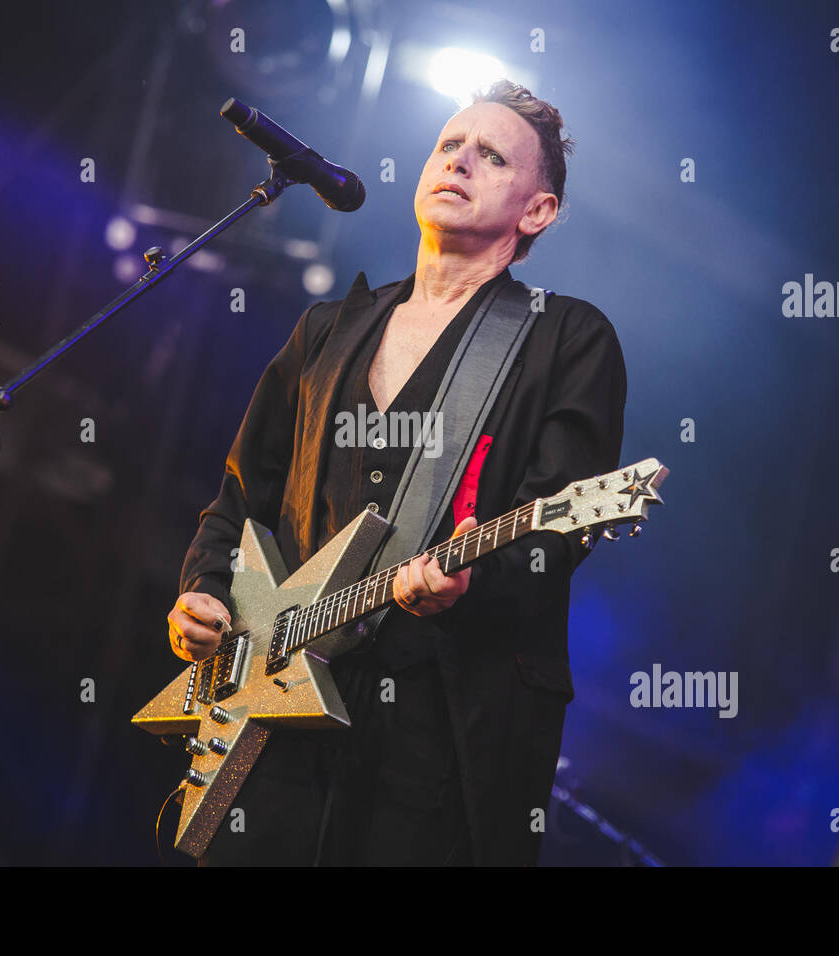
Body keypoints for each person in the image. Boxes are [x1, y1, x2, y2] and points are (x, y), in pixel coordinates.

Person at [169, 79, 626, 865]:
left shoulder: (567, 338)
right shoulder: (328, 329)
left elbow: (558, 529)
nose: (459, 162)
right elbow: (242, 498)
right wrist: (205, 590)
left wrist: (471, 578)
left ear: (537, 212)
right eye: (449, 146)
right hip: (275, 718)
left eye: (490, 156)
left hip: (442, 729)